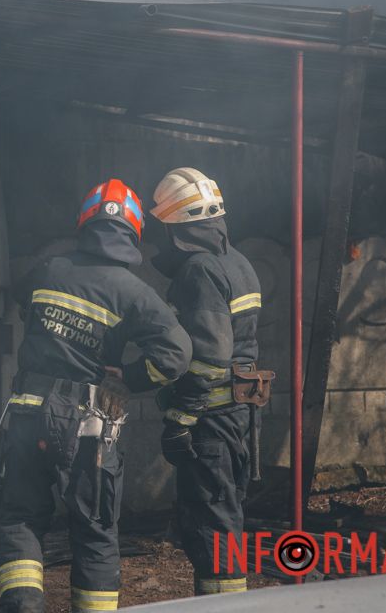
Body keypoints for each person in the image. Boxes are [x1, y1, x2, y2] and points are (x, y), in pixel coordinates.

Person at [0, 178, 193, 613]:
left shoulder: (49, 269)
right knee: (97, 530)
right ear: (135, 233)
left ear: (85, 221)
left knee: (21, 518)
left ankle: (24, 606)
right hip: (89, 425)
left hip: (28, 414)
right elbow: (177, 355)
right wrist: (131, 378)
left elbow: (20, 298)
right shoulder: (135, 292)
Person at [148, 167, 267, 596]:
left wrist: (181, 417)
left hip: (210, 420)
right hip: (239, 415)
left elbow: (211, 355)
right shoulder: (238, 263)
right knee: (226, 515)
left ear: (175, 225)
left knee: (214, 526)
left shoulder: (198, 270)